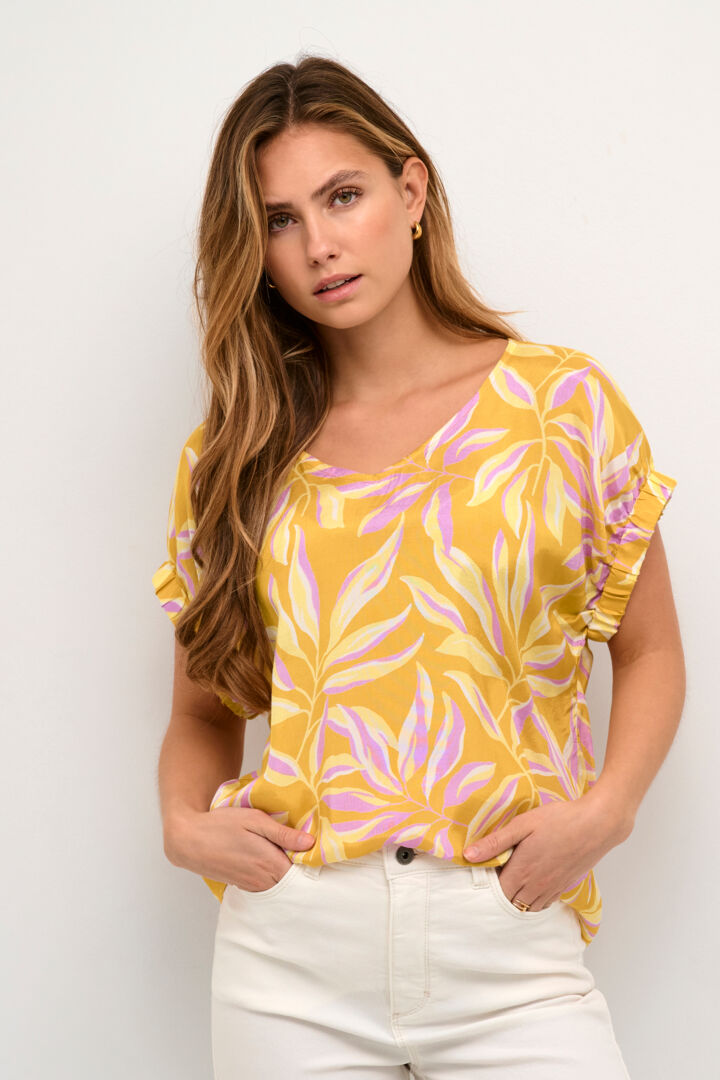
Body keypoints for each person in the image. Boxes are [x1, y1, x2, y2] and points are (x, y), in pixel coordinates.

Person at [152, 54, 685, 1080]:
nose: (319, 244)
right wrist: (183, 826)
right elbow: (202, 711)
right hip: (289, 960)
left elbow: (651, 648)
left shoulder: (561, 410)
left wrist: (608, 809)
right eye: (279, 220)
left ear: (411, 190)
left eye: (342, 196)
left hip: (508, 942)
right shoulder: (236, 455)